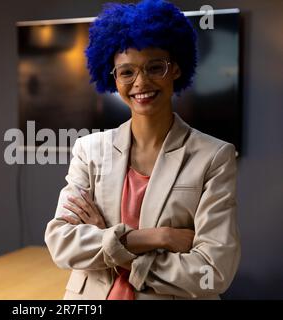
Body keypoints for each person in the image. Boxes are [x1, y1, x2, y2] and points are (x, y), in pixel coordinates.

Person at [44, 0, 240, 300]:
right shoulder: (88, 150)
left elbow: (213, 271)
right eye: (127, 72)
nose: (141, 82)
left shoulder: (214, 157)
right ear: (114, 79)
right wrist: (155, 237)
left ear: (174, 68)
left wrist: (113, 243)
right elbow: (61, 243)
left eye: (154, 67)